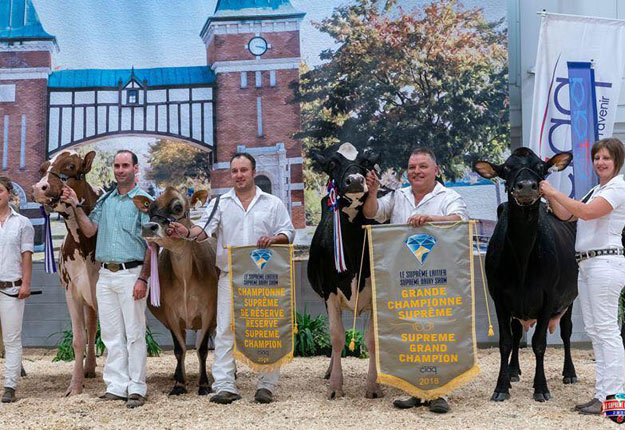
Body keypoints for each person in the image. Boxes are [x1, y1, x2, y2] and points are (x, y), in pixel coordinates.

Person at [169, 152, 295, 404]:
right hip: (230, 275)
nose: (238, 175)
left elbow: (288, 232)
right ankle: (225, 385)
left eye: (243, 170)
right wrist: (186, 232)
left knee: (265, 328)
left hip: (263, 277)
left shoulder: (272, 203)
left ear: (253, 172)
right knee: (225, 329)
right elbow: (203, 231)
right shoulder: (221, 203)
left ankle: (266, 385)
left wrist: (274, 239)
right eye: (234, 171)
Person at [363, 147, 469, 414]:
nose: (416, 172)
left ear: (436, 170)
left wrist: (431, 218)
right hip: (405, 280)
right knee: (409, 333)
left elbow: (459, 220)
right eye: (411, 167)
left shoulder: (448, 196)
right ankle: (413, 390)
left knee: (438, 335)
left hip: (439, 280)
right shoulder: (398, 196)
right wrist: (373, 192)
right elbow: (371, 213)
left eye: (422, 166)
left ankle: (440, 393)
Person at [540, 137, 625, 415]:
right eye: (597, 158)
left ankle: (615, 399)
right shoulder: (595, 190)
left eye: (606, 158)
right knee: (596, 332)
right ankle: (602, 394)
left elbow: (587, 213)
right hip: (587, 265)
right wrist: (550, 196)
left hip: (605, 262)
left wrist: (555, 191)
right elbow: (567, 214)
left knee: (607, 331)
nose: (600, 163)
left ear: (617, 162)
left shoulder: (618, 187)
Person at [61, 150, 151, 409]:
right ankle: (116, 385)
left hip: (131, 273)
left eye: (125, 165)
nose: (120, 170)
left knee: (134, 333)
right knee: (111, 334)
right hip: (106, 275)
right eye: (117, 165)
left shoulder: (144, 201)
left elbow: (152, 245)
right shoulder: (107, 201)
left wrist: (143, 278)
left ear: (136, 168)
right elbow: (90, 229)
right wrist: (77, 206)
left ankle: (136, 387)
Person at [0, 176, 33, 403]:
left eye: (0, 191)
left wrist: (26, 284)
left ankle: (10, 385)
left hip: (11, 287)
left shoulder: (22, 223)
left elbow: (27, 256)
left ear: (9, 193)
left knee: (12, 338)